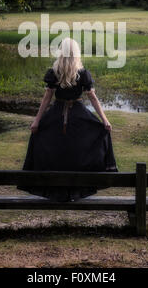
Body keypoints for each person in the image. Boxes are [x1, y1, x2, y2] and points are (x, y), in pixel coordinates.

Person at [17, 37, 118, 201]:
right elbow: (92, 98)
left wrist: (37, 120)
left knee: (53, 145)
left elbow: (47, 98)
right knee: (79, 146)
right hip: (79, 114)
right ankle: (75, 186)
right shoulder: (82, 73)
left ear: (61, 51)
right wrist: (104, 120)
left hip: (56, 113)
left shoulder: (55, 71)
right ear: (77, 53)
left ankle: (54, 184)